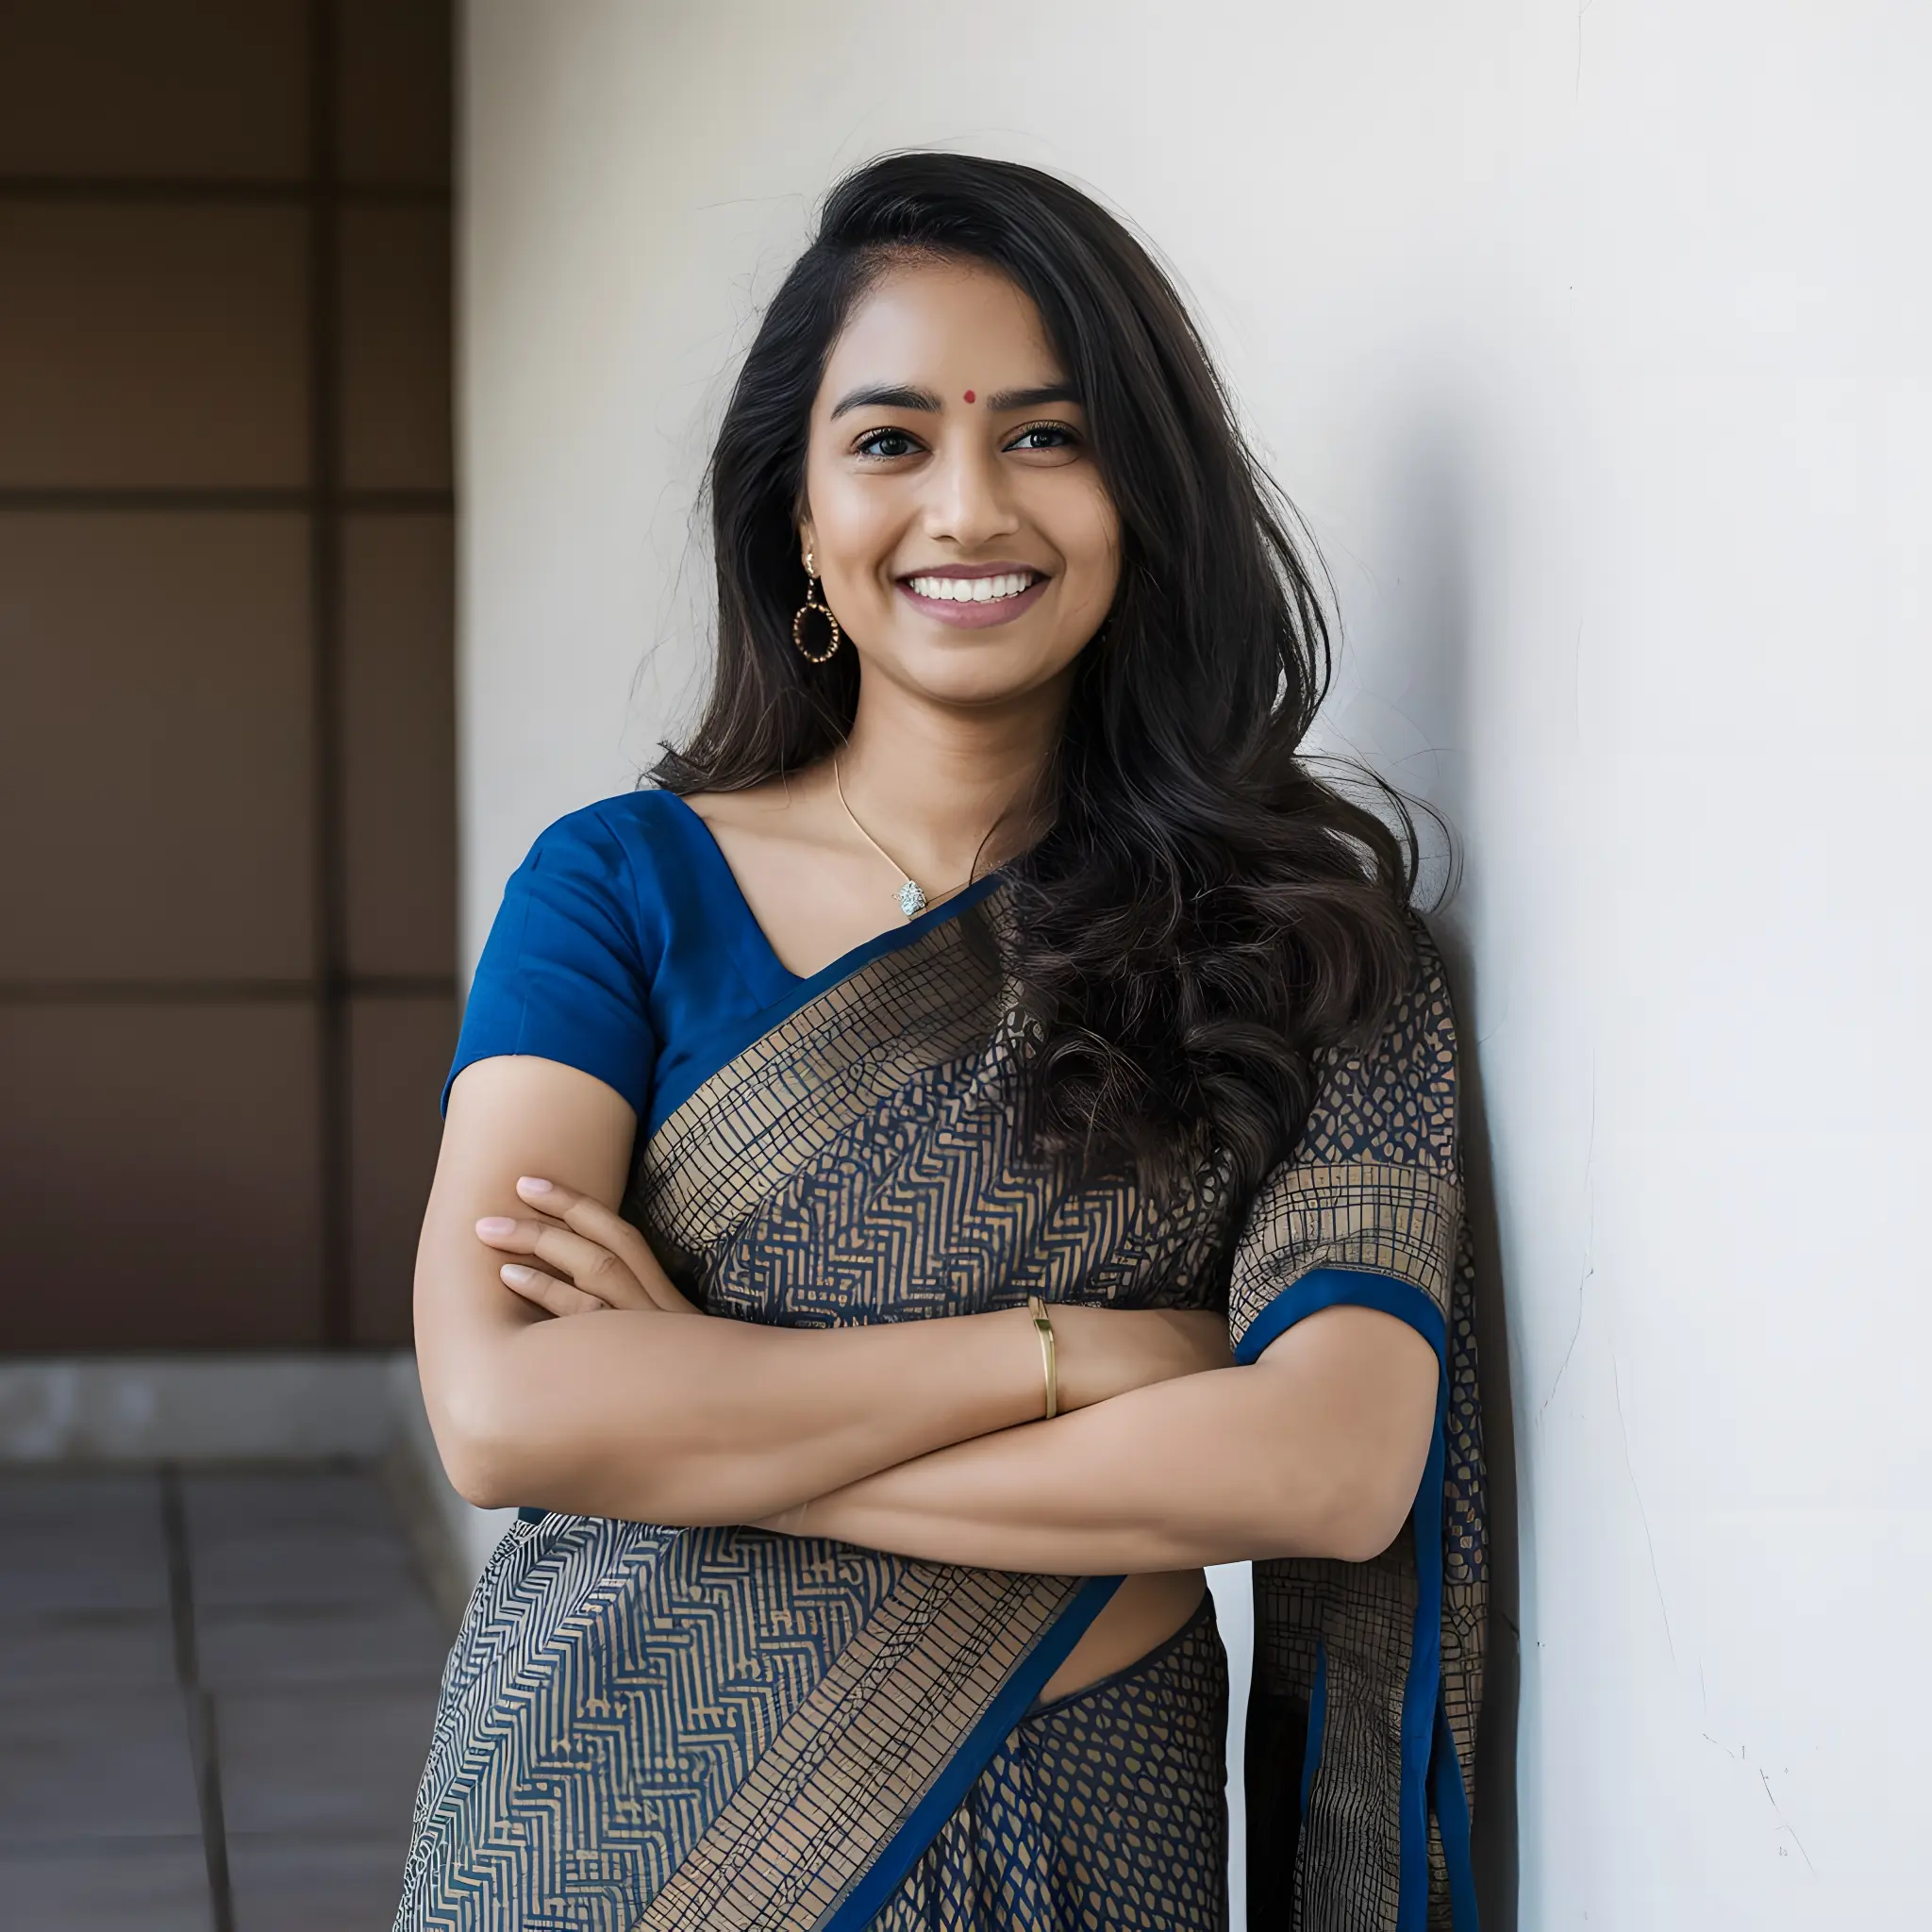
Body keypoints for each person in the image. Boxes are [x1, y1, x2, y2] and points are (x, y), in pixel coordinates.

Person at [397, 151, 1485, 1932]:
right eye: (891, 441)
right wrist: (1092, 1352)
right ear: (800, 517)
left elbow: (1328, 1469)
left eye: (1046, 436)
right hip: (619, 1822)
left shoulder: (1298, 942)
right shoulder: (619, 889)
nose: (968, 506)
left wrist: (710, 1415)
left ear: (1143, 494)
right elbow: (510, 1411)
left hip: (1089, 1824)